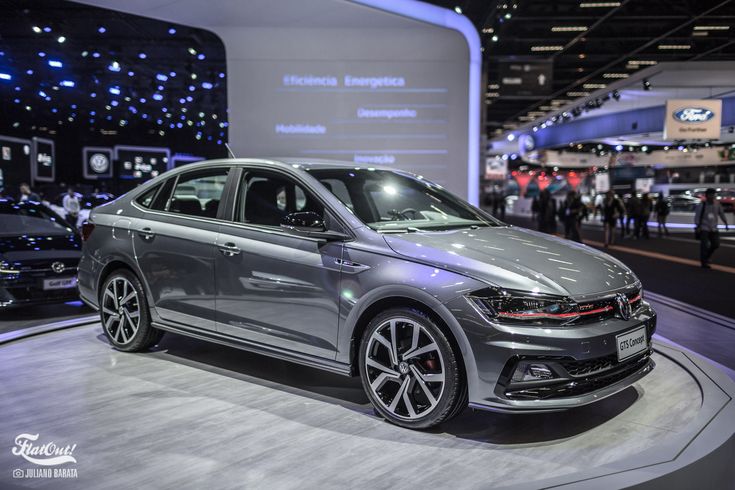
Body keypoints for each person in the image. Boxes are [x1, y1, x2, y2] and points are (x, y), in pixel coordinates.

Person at [695, 188, 729, 269]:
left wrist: (726, 223)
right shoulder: (702, 205)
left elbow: (721, 214)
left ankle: (707, 256)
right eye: (710, 194)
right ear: (706, 196)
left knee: (716, 244)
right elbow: (697, 216)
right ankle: (704, 262)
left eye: (713, 194)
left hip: (714, 228)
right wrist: (697, 226)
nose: (712, 196)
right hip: (704, 227)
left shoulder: (717, 204)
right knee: (704, 245)